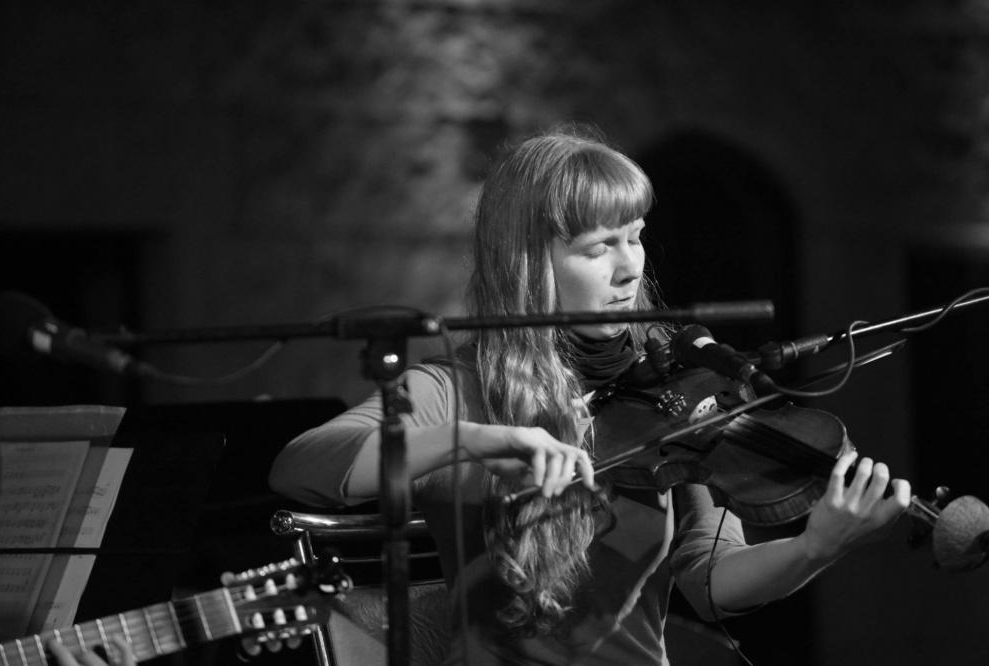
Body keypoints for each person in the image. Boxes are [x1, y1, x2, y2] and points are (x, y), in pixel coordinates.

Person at [269, 125, 910, 665]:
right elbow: (302, 466)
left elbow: (711, 579)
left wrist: (814, 547)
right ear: (530, 262)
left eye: (635, 236)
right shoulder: (459, 388)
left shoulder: (674, 388)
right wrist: (474, 440)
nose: (629, 268)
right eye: (600, 247)